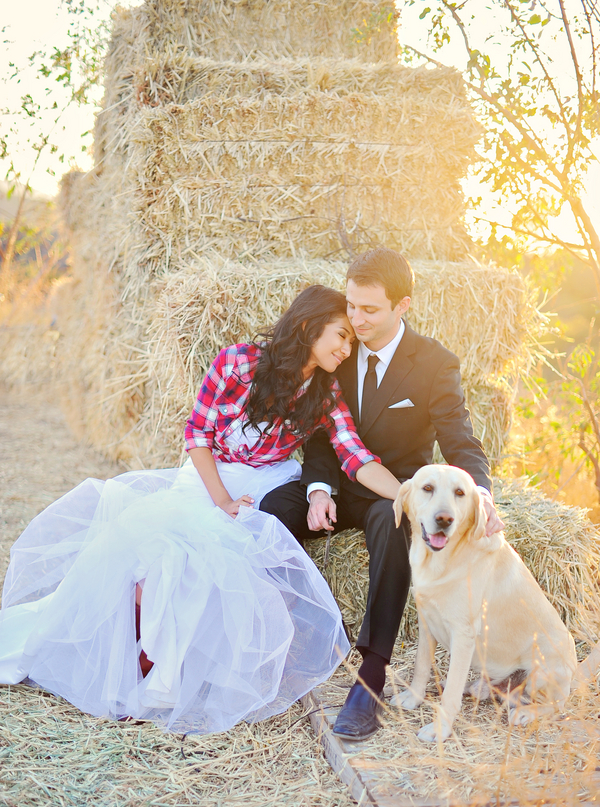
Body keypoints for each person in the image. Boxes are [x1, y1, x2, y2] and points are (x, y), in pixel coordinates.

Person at [0, 285, 401, 735]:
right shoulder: (238, 361)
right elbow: (197, 434)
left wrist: (404, 493)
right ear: (309, 327)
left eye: (351, 342)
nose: (347, 349)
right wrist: (222, 500)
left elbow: (354, 456)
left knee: (215, 564)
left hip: (265, 481)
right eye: (341, 336)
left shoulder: (325, 393)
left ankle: (163, 677)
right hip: (208, 476)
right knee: (160, 554)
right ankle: (137, 662)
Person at [260, 249, 504, 741]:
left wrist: (478, 492)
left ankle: (369, 682)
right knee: (270, 511)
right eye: (350, 306)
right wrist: (317, 491)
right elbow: (320, 433)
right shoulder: (339, 351)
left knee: (392, 529)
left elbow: (460, 440)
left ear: (402, 306)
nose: (355, 320)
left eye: (369, 310)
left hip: (393, 492)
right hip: (337, 484)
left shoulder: (435, 364)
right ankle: (276, 643)